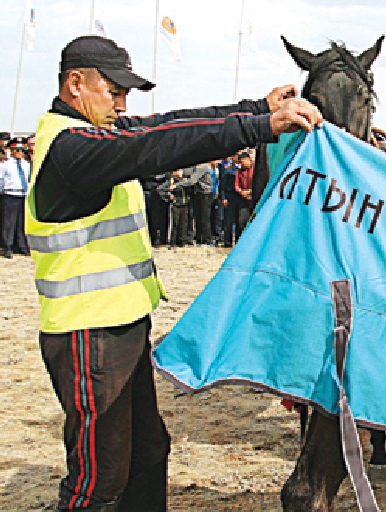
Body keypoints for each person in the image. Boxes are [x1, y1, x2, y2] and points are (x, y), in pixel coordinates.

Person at [27, 35, 321, 511]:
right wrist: (259, 125)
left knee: (148, 454)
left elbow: (166, 124)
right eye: (114, 90)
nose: (123, 103)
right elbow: (162, 143)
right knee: (98, 480)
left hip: (121, 327)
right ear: (75, 84)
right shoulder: (71, 146)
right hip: (87, 333)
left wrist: (252, 107)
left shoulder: (93, 135)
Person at [1, 137, 31, 257]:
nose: (19, 152)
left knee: (21, 222)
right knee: (8, 223)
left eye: (21, 149)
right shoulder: (6, 164)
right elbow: (1, 180)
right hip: (10, 194)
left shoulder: (26, 164)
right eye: (16, 149)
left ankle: (22, 246)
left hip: (22, 194)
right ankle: (7, 247)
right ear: (12, 150)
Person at [157, 169, 194, 248]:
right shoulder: (171, 181)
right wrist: (168, 196)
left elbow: (189, 185)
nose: (180, 172)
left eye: (181, 171)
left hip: (185, 204)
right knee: (175, 223)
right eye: (178, 171)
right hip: (175, 205)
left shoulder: (185, 180)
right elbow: (160, 189)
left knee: (184, 223)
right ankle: (173, 241)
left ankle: (182, 241)